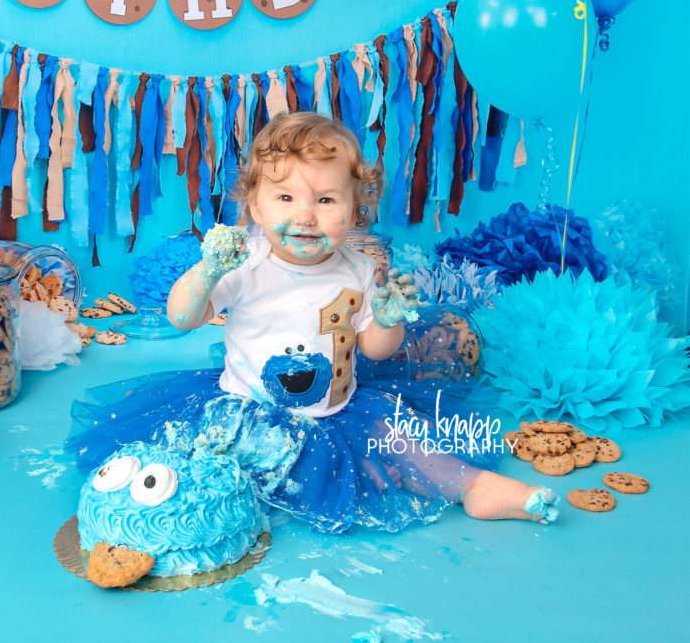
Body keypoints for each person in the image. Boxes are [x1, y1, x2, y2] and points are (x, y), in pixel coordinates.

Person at [68, 112, 559, 532]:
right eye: (285, 199)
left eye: (326, 201)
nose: (305, 216)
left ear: (354, 209)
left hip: (338, 410)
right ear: (255, 206)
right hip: (248, 410)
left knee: (402, 442)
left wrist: (387, 319)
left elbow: (376, 351)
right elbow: (183, 316)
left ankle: (474, 486)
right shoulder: (246, 260)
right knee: (204, 471)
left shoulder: (360, 268)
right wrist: (208, 269)